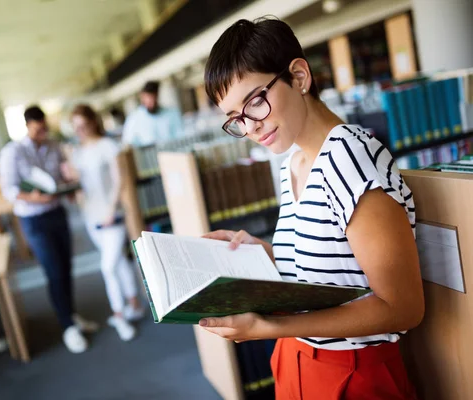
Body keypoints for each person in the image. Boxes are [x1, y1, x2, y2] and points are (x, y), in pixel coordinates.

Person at [199, 18, 423, 399]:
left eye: (255, 102)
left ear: (299, 76)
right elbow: (332, 269)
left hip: (353, 376)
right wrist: (264, 254)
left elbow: (402, 308)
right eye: (235, 118)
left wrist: (268, 329)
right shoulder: (295, 163)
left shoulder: (351, 159)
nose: (250, 127)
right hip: (298, 363)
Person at [0, 105, 97, 354]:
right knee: (53, 270)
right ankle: (67, 326)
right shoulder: (13, 152)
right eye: (38, 129)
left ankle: (71, 316)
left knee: (65, 267)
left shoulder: (54, 146)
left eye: (45, 127)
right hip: (34, 219)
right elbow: (9, 191)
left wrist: (69, 183)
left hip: (57, 212)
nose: (43, 132)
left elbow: (62, 177)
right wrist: (33, 198)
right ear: (28, 126)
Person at [69, 104, 145, 341]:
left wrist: (112, 211)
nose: (80, 130)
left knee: (107, 267)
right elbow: (81, 187)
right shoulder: (77, 153)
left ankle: (119, 315)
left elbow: (119, 180)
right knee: (119, 261)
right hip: (90, 217)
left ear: (93, 122)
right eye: (76, 127)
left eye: (83, 125)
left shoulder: (109, 146)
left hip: (112, 216)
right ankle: (134, 302)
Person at [121, 80, 184, 146]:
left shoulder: (171, 114)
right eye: (148, 99)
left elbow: (181, 137)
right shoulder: (133, 119)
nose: (151, 103)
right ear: (142, 97)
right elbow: (128, 144)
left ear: (157, 96)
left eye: (153, 99)